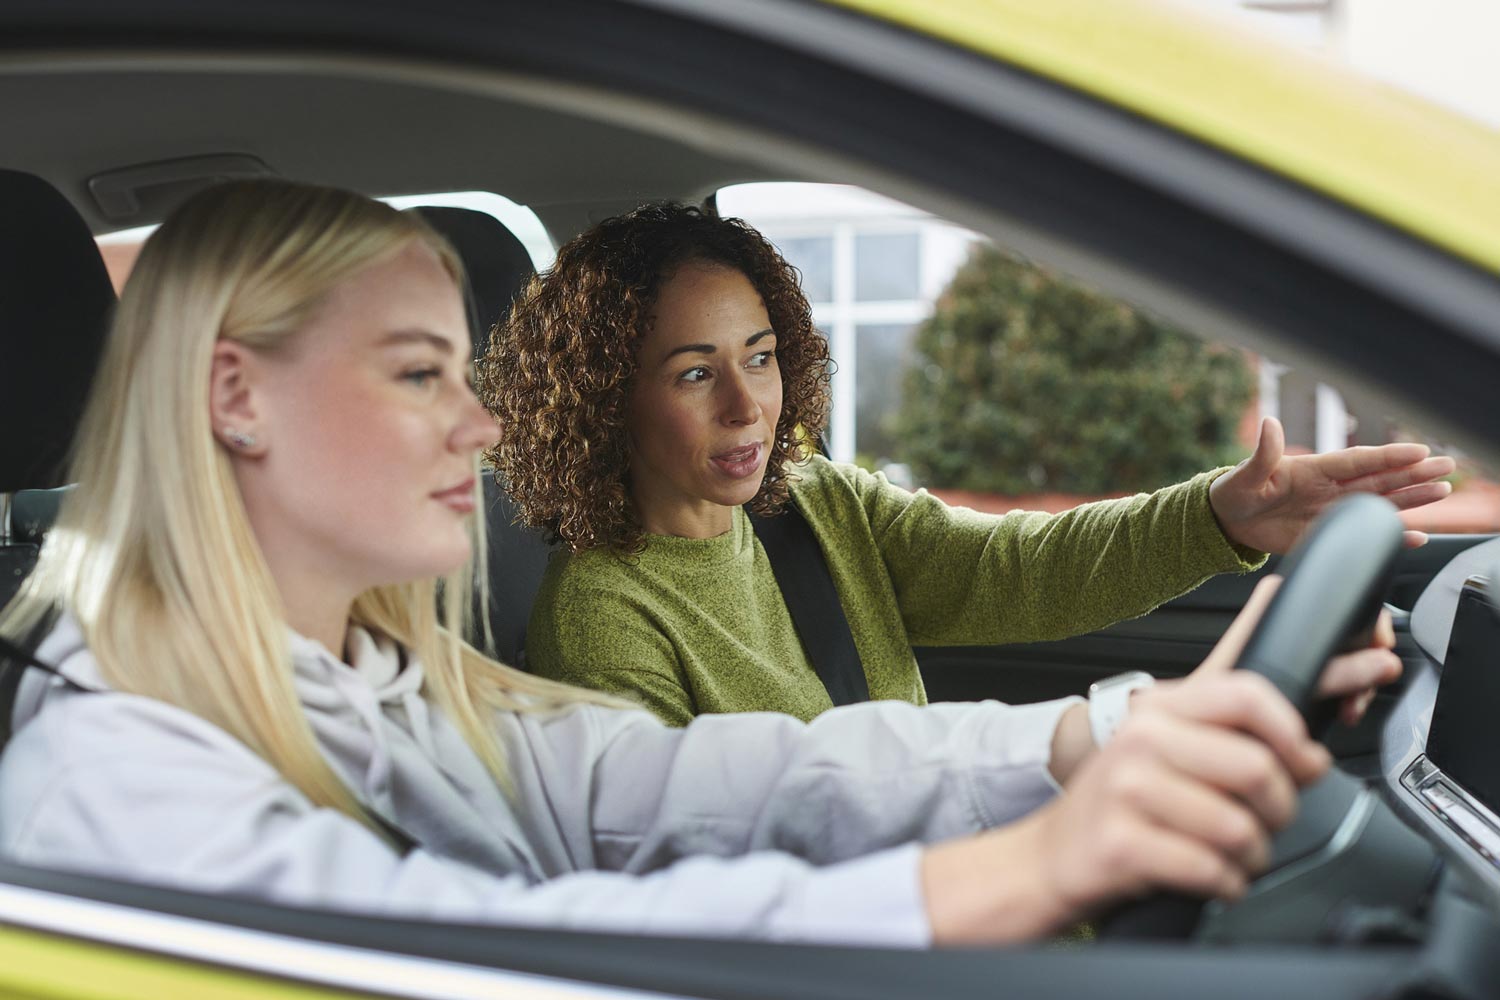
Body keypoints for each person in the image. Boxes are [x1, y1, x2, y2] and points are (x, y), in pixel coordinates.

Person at [0, 179, 1399, 947]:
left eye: (761, 362)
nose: (476, 424)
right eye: (421, 373)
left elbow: (710, 780)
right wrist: (1016, 872)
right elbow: (496, 954)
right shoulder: (119, 784)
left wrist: (1108, 735)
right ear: (236, 398)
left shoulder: (389, 685)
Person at [482, 203, 1450, 725]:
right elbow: (706, 882)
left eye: (761, 355)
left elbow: (1016, 569)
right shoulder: (602, 619)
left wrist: (1223, 516)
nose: (748, 406)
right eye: (696, 373)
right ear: (606, 395)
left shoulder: (809, 501)